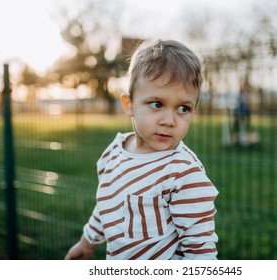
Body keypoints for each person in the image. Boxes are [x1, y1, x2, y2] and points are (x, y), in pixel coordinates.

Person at [64, 39, 219, 260]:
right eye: (157, 104)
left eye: (183, 108)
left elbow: (201, 251)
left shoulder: (183, 172)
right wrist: (86, 243)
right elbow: (109, 205)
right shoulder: (113, 154)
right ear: (129, 105)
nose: (169, 120)